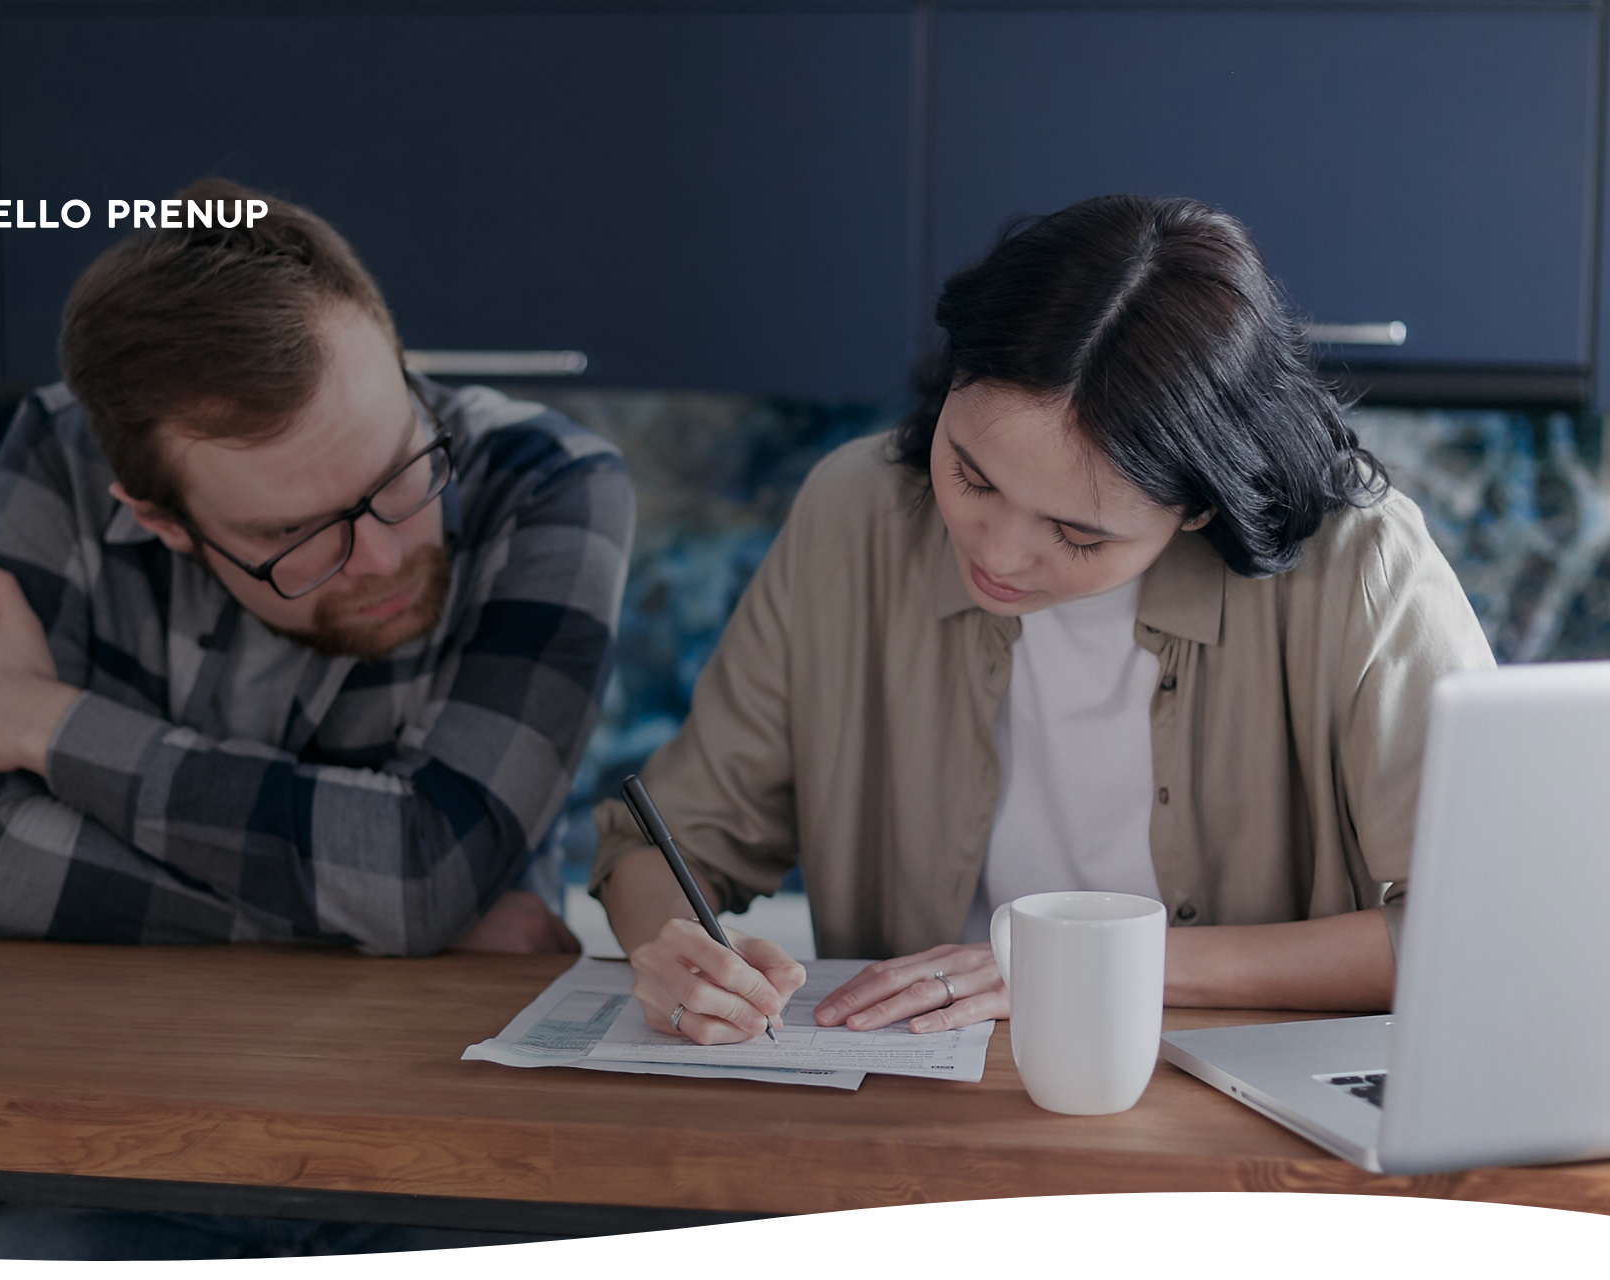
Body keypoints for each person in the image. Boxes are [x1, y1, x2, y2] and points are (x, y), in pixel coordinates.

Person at [0, 178, 632, 1256]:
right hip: (94, 1153)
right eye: (297, 534)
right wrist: (404, 923)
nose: (387, 554)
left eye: (398, 471)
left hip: (447, 1162)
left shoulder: (551, 482)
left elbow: (422, 864)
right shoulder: (62, 457)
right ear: (159, 518)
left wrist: (47, 723)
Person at [591, 194, 1494, 1047]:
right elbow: (669, 839)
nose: (999, 553)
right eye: (972, 477)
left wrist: (1094, 968)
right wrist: (676, 948)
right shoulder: (855, 513)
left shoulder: (1359, 569)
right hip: (911, 1093)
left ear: (1197, 510)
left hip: (1232, 1130)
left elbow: (1491, 933)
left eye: (1076, 534)